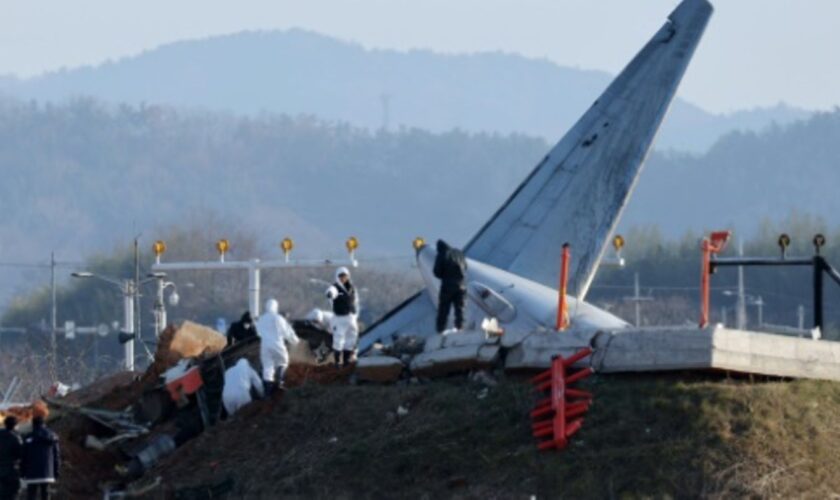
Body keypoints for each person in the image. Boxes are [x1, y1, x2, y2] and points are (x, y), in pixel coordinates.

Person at [255, 298, 299, 394]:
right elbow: (287, 331)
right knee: (283, 361)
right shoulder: (278, 318)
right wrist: (295, 341)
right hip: (277, 344)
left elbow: (258, 333)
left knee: (268, 368)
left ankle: (267, 392)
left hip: (265, 346)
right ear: (276, 307)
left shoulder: (261, 319)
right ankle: (280, 383)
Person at [20, 404, 59, 500]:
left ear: (33, 424)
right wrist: (56, 471)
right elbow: (56, 456)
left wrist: (22, 472)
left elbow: (24, 456)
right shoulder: (52, 436)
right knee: (45, 494)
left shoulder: (28, 437)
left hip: (32, 472)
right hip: (47, 472)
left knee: (31, 495)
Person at [325, 267, 360, 368]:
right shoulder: (335, 287)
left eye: (344, 276)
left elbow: (356, 301)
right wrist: (330, 294)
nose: (343, 278)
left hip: (350, 317)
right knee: (338, 339)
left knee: (351, 338)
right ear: (337, 277)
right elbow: (330, 292)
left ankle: (346, 360)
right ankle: (337, 362)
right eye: (341, 276)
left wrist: (355, 314)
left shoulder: (352, 288)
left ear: (348, 276)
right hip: (339, 317)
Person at [433, 239, 468, 334]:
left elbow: (437, 271)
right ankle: (460, 327)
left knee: (444, 308)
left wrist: (445, 275)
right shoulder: (459, 253)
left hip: (448, 285)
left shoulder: (442, 254)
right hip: (461, 285)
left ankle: (441, 329)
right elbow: (466, 267)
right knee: (460, 308)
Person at [0, 416, 22, 500]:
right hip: (11, 470)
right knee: (13, 494)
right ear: (15, 425)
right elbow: (20, 454)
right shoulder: (16, 438)